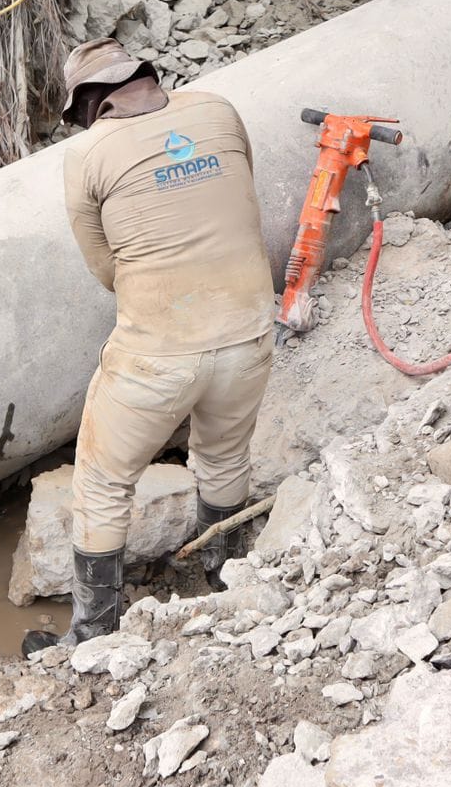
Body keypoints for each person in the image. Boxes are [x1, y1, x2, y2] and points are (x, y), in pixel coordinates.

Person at [23, 39, 275, 655]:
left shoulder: (87, 154)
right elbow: (240, 198)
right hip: (249, 332)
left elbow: (106, 270)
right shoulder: (218, 111)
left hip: (157, 352)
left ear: (90, 103)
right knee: (222, 459)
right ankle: (227, 583)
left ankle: (94, 634)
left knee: (104, 483)